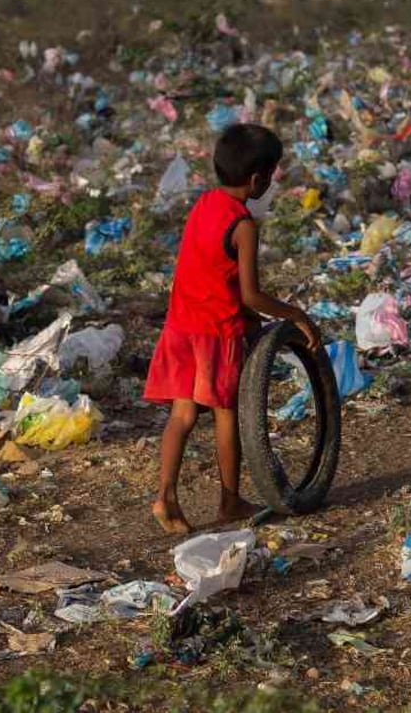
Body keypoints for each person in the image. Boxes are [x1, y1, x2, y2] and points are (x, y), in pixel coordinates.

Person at [143, 123, 321, 534]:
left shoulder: (205, 203)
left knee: (183, 413)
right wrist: (295, 314)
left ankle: (165, 495)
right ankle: (229, 500)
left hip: (182, 324)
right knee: (227, 413)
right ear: (258, 178)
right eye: (273, 175)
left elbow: (207, 271)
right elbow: (250, 295)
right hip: (216, 333)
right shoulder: (244, 226)